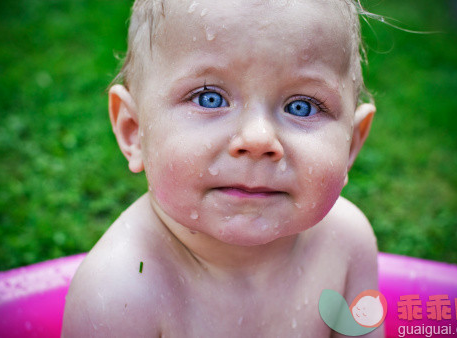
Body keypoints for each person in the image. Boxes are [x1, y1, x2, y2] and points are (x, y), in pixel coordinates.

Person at [62, 0, 380, 336]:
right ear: (133, 130)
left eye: (301, 106)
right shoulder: (120, 294)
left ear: (351, 143)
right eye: (208, 98)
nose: (258, 138)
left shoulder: (346, 243)